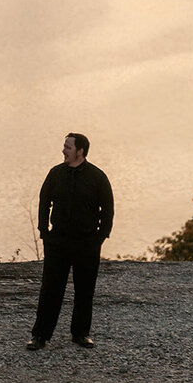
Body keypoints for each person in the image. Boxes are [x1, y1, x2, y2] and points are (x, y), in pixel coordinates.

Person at [27, 132, 113, 351]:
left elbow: (108, 209)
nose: (63, 150)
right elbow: (44, 202)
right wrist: (44, 231)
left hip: (87, 243)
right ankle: (40, 335)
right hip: (58, 242)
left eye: (67, 147)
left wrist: (100, 238)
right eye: (64, 146)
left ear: (80, 151)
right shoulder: (55, 174)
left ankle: (81, 334)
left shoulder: (97, 177)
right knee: (50, 289)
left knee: (85, 290)